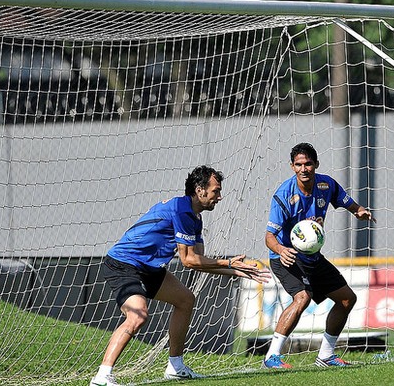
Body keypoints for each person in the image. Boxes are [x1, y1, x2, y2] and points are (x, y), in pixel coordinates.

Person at [90, 165, 271, 386]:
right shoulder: (182, 210)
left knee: (185, 300)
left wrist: (236, 270)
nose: (219, 197)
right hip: (124, 264)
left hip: (149, 268)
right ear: (200, 190)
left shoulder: (194, 217)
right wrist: (228, 262)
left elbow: (199, 262)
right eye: (215, 191)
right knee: (137, 316)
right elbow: (189, 260)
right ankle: (102, 377)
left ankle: (175, 367)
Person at [262, 143, 375, 369]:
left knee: (346, 300)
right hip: (287, 258)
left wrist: (359, 211)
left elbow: (345, 201)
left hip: (312, 257)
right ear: (292, 166)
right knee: (302, 297)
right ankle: (271, 357)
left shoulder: (326, 184)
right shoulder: (284, 195)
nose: (304, 169)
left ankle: (326, 355)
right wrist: (282, 250)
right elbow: (269, 237)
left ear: (316, 165)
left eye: (308, 164)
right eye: (299, 165)